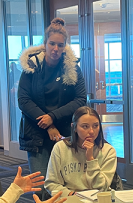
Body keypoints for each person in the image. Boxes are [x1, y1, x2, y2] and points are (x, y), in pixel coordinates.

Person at [17, 17, 87, 192]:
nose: (56, 49)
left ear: (65, 47)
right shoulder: (31, 66)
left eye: (60, 45)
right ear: (45, 43)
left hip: (64, 133)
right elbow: (23, 100)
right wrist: (48, 124)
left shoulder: (72, 68)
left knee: (67, 184)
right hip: (36, 133)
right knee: (42, 186)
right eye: (52, 44)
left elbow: (80, 99)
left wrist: (52, 118)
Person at [45, 106, 117, 196]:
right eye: (85, 126)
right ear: (74, 127)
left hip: (98, 200)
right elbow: (51, 183)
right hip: (69, 199)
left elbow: (101, 187)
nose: (91, 131)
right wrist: (71, 195)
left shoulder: (108, 150)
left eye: (95, 126)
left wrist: (90, 158)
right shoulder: (60, 147)